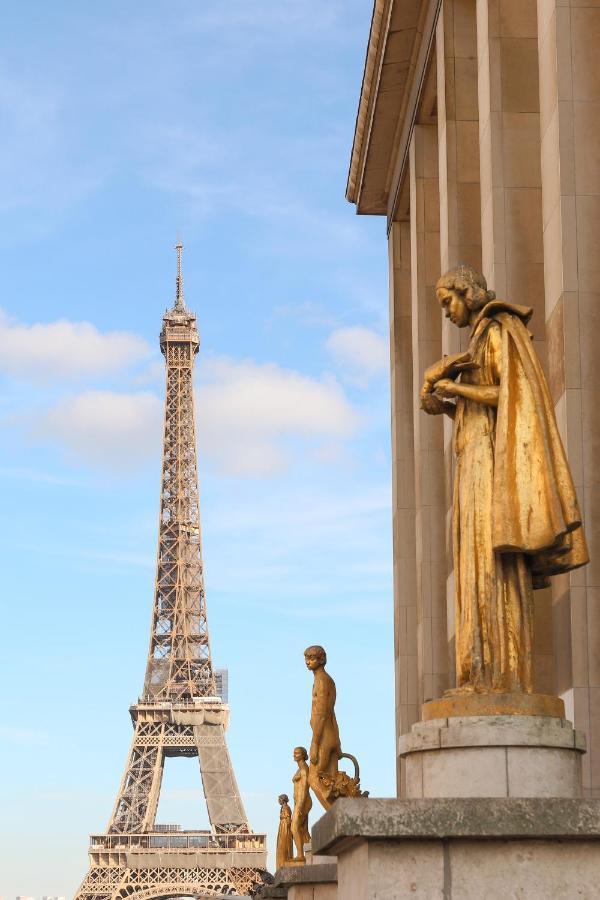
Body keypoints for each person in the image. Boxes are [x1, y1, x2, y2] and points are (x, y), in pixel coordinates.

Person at [421, 265, 588, 693]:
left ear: (468, 294)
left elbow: (510, 395)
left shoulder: (498, 330)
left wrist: (455, 388)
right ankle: (479, 674)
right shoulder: (479, 339)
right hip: (474, 462)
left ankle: (501, 676)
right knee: (474, 565)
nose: (446, 313)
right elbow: (484, 407)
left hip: (491, 468)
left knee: (491, 565)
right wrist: (443, 404)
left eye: (447, 302)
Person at [290, 746, 312, 861]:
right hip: (299, 802)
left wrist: (300, 805)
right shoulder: (300, 769)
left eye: (297, 753)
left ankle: (300, 855)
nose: (294, 755)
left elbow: (304, 788)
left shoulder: (304, 769)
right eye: (294, 753)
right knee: (303, 830)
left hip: (302, 801)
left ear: (303, 755)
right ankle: (312, 852)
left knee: (294, 828)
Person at [275, 793, 293, 870]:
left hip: (284, 827)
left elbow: (289, 819)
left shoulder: (286, 808)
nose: (278, 801)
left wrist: (288, 830)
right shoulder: (283, 808)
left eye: (279, 799)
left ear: (283, 800)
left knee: (284, 845)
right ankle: (281, 863)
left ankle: (284, 862)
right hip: (282, 826)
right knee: (281, 846)